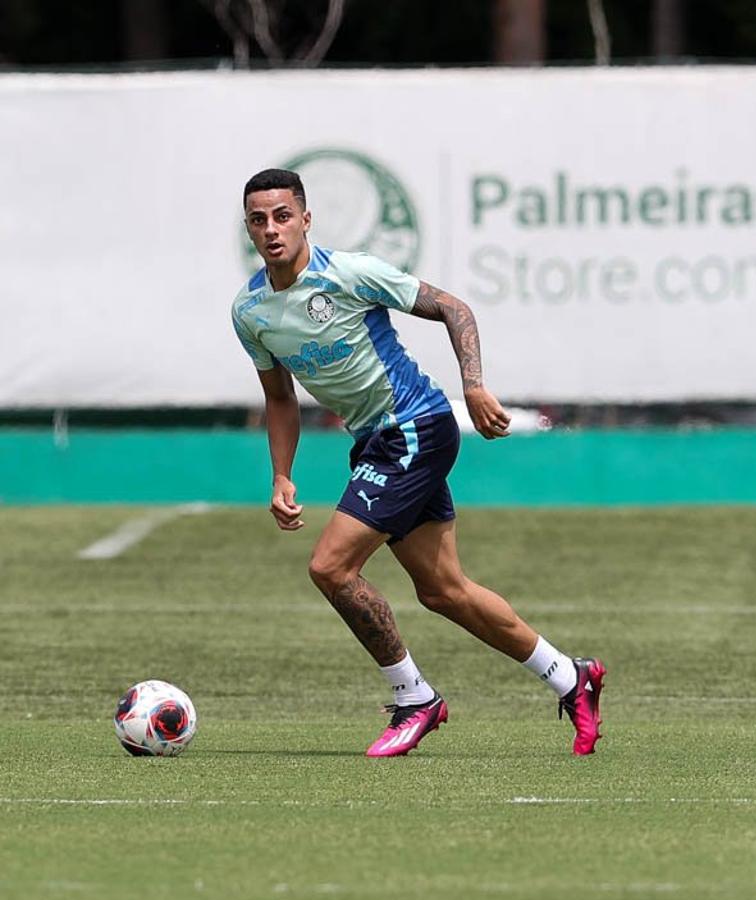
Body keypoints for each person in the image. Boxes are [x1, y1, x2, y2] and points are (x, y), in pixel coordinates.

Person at [231, 168, 606, 759]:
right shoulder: (251, 311)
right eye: (259, 219)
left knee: (330, 568)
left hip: (415, 427)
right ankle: (570, 677)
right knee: (444, 591)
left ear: (306, 219)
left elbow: (454, 309)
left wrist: (475, 387)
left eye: (283, 216)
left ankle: (415, 700)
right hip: (378, 440)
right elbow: (279, 398)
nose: (272, 229)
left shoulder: (350, 274)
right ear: (249, 229)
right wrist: (281, 473)